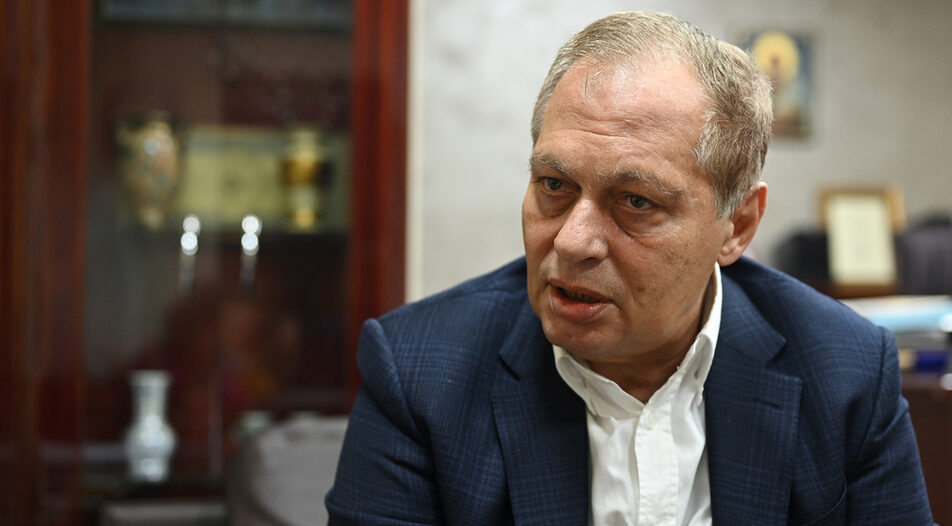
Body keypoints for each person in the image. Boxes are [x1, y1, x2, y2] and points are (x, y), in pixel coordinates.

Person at [326, 11, 933, 525]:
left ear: (738, 226)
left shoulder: (845, 373)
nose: (572, 241)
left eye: (636, 202)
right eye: (554, 185)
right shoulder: (419, 373)